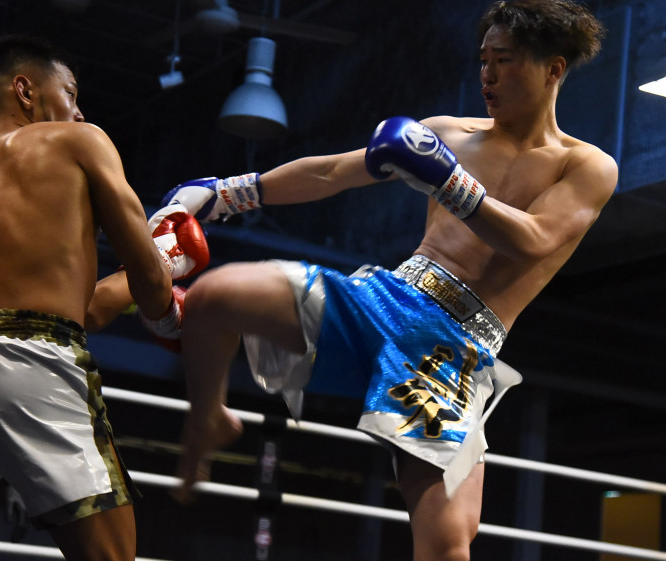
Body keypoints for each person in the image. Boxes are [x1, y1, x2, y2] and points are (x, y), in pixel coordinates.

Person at [157, 1, 617, 560]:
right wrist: (228, 193)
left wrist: (447, 180)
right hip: (385, 298)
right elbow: (331, 171)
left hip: (451, 351)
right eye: (484, 60)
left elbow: (533, 239)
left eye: (505, 60)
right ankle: (208, 417)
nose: (488, 76)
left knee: (447, 545)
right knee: (214, 296)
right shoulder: (445, 134)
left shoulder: (585, 166)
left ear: (553, 69)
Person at [0, 35, 207, 561]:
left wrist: (140, 277)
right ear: (25, 91)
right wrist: (169, 273)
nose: (80, 111)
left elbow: (83, 309)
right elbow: (151, 287)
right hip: (35, 364)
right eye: (70, 92)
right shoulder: (80, 142)